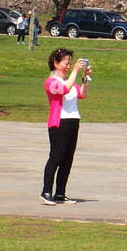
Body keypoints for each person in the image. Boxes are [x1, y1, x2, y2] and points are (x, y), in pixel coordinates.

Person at [42, 48, 90, 204]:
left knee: (67, 159)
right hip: (59, 123)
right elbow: (63, 89)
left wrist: (85, 79)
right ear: (56, 63)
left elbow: (82, 94)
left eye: (70, 63)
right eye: (66, 63)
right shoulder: (51, 82)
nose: (69, 66)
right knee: (56, 157)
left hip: (73, 121)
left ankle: (60, 193)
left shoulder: (71, 81)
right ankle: (46, 191)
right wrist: (75, 71)